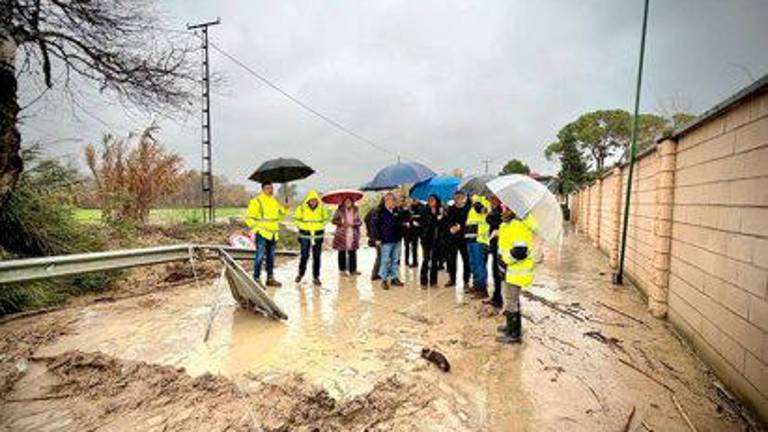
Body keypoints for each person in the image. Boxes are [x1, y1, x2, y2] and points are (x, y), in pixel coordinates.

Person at [496, 209, 536, 344]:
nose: (503, 209)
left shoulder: (518, 225)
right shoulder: (510, 224)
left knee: (511, 301)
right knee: (511, 300)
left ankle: (514, 334)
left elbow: (520, 251)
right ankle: (511, 328)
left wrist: (505, 260)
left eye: (506, 207)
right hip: (510, 270)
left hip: (515, 271)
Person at [245, 182, 288, 286]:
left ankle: (270, 279)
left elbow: (278, 217)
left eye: (272, 188)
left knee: (271, 257)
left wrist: (285, 208)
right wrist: (257, 229)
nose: (271, 190)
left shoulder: (274, 201)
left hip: (273, 234)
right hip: (262, 233)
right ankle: (256, 278)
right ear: (263, 189)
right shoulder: (256, 201)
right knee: (259, 256)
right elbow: (249, 218)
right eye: (268, 188)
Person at [293, 190, 330, 286]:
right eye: (311, 200)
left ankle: (316, 277)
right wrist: (304, 226)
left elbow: (326, 219)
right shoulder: (301, 208)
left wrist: (320, 225)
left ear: (317, 200)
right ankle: (300, 274)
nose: (313, 202)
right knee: (304, 255)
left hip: (318, 235)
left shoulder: (322, 209)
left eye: (315, 200)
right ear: (308, 200)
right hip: (305, 235)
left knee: (317, 257)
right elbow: (296, 220)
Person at [373, 193, 404, 290]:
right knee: (385, 260)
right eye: (391, 200)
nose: (393, 202)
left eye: (394, 200)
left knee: (395, 259)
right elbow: (375, 226)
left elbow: (404, 220)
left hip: (397, 239)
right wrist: (377, 238)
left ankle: (395, 278)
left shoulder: (397, 211)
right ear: (386, 201)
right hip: (386, 240)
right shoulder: (379, 211)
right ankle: (384, 279)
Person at [465, 195, 491, 299]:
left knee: (479, 264)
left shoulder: (483, 199)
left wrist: (476, 201)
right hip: (471, 237)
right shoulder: (473, 202)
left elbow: (482, 210)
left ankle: (482, 289)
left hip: (479, 238)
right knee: (474, 263)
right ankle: (476, 285)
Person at [444, 190, 470, 288]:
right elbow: (447, 221)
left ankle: (466, 280)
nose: (457, 200)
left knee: (466, 259)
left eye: (459, 198)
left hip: (464, 238)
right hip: (453, 238)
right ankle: (452, 278)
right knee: (451, 259)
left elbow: (469, 222)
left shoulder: (468, 209)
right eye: (455, 198)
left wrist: (461, 227)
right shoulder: (450, 209)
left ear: (463, 198)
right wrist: (451, 227)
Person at [332, 197, 362, 276]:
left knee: (353, 252)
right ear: (343, 202)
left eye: (349, 201)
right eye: (346, 201)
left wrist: (354, 224)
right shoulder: (339, 210)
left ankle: (353, 270)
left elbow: (360, 222)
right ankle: (342, 270)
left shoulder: (356, 210)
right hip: (342, 234)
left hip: (353, 233)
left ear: (352, 202)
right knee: (342, 251)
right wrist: (342, 223)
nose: (348, 202)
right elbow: (333, 221)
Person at [419, 194, 445, 287]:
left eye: (433, 200)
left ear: (437, 201)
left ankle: (433, 282)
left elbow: (443, 225)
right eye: (429, 200)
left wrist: (442, 216)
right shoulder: (424, 211)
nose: (431, 202)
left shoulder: (440, 211)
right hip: (426, 239)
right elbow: (425, 224)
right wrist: (435, 217)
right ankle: (423, 281)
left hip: (437, 239)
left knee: (435, 260)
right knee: (426, 259)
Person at [484, 197, 504, 308]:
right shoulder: (497, 209)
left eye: (492, 198)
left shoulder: (501, 210)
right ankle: (496, 297)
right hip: (495, 244)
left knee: (498, 272)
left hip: (500, 245)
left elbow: (490, 219)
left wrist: (491, 211)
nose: (490, 201)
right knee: (495, 271)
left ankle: (499, 299)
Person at [364, 197, 385, 281]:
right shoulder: (379, 211)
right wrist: (374, 236)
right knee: (380, 256)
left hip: (376, 236)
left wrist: (369, 232)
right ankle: (375, 275)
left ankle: (379, 273)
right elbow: (374, 224)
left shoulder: (375, 209)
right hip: (378, 237)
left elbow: (366, 219)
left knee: (380, 255)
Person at [402, 197, 423, 268]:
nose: (411, 201)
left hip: (415, 232)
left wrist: (418, 223)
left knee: (414, 247)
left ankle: (415, 262)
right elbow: (402, 219)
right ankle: (406, 261)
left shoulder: (419, 208)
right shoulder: (405, 209)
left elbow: (421, 218)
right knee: (406, 247)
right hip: (406, 232)